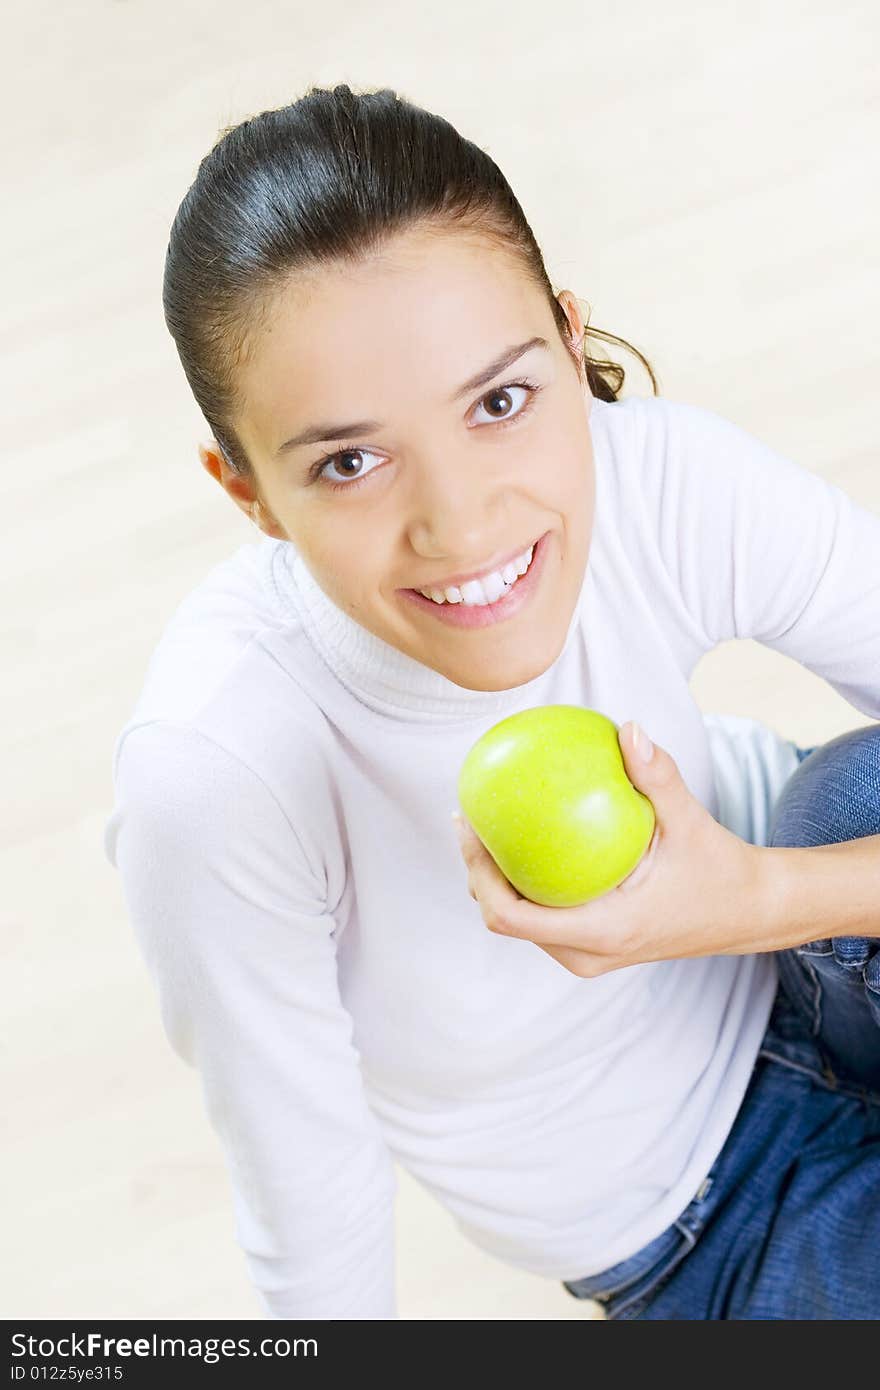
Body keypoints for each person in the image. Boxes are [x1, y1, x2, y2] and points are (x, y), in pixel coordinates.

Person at [103, 84, 880, 1320]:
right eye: (348, 461)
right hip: (705, 1219)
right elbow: (310, 1197)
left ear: (571, 344)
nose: (462, 523)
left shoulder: (661, 479)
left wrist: (764, 897)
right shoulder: (219, 769)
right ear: (244, 489)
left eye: (500, 401)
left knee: (853, 795)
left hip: (831, 952)